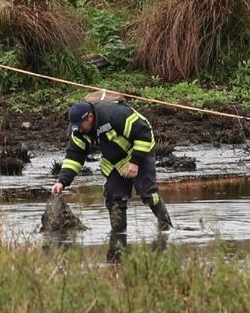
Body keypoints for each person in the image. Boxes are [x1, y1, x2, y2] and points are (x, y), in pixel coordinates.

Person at [50, 98, 173, 260]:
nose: (78, 130)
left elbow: (144, 133)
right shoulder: (80, 132)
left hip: (139, 149)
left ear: (90, 117)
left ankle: (166, 228)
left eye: (80, 125)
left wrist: (135, 162)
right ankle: (119, 236)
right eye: (75, 127)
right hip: (116, 160)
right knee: (114, 196)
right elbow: (75, 156)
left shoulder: (115, 115)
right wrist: (62, 181)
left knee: (147, 191)